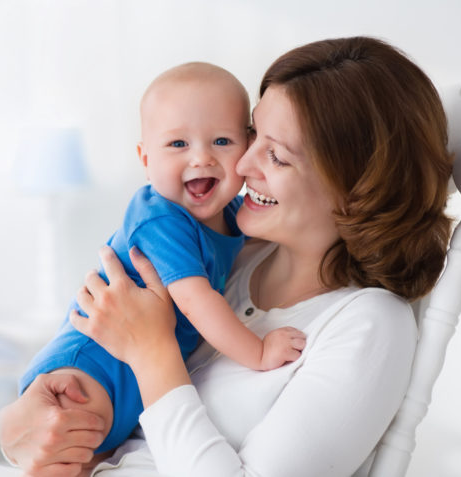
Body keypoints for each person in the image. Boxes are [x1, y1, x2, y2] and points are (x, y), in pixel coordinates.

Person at [0, 36, 454, 477]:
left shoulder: (368, 325)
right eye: (251, 135)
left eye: (274, 155)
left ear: (355, 190)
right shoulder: (226, 255)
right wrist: (18, 430)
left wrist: (152, 351)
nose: (240, 164)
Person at [16, 62, 307, 456]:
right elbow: (197, 302)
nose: (201, 158)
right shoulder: (160, 218)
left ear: (247, 144)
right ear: (145, 158)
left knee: (89, 457)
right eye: (177, 145)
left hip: (136, 377)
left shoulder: (233, 215)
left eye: (222, 141)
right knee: (67, 448)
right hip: (91, 365)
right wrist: (257, 352)